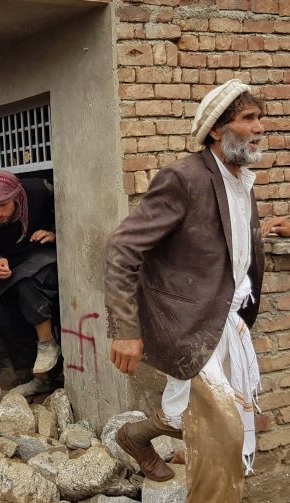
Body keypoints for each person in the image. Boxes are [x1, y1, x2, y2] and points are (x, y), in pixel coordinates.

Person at [105, 80, 266, 502]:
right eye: (248, 119)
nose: (260, 128)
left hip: (229, 320)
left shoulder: (241, 180)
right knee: (222, 429)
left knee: (194, 414)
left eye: (260, 118)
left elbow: (222, 243)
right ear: (217, 129)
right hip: (191, 322)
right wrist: (125, 328)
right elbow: (122, 249)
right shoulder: (184, 177)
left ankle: (134, 436)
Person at [0, 170, 59, 378]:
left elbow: (64, 216)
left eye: (3, 205)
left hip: (41, 252)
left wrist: (53, 233)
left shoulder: (39, 192)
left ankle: (47, 343)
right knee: (7, 314)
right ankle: (32, 376)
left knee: (27, 286)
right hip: (10, 263)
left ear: (17, 196)